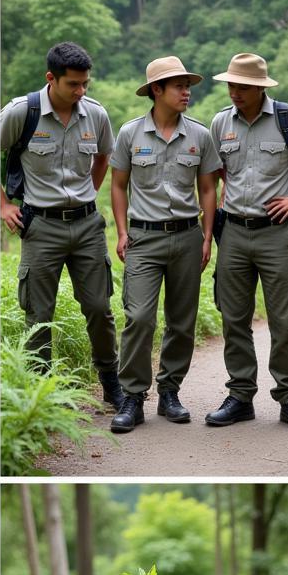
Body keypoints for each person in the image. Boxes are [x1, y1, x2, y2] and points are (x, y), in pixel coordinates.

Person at [207, 53, 288, 432]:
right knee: (234, 319)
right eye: (230, 85)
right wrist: (208, 232)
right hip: (232, 232)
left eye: (242, 86)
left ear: (260, 87)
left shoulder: (287, 118)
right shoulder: (219, 123)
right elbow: (211, 178)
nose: (234, 92)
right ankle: (240, 396)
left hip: (277, 233)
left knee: (284, 320)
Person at [0, 42, 124, 409]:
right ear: (51, 79)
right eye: (73, 84)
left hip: (87, 226)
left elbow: (104, 158)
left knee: (100, 308)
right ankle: (43, 396)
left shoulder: (96, 115)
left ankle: (110, 382)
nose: (80, 91)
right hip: (41, 227)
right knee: (39, 314)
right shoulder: (23, 113)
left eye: (85, 83)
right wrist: (4, 205)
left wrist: (89, 192)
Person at [107, 56, 221, 433]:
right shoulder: (129, 134)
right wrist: (122, 232)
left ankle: (170, 391)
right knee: (138, 317)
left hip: (188, 236)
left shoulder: (200, 136)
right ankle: (133, 396)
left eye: (188, 85)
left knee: (181, 321)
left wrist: (206, 237)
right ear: (157, 91)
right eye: (178, 86)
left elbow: (208, 188)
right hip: (143, 237)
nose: (187, 92)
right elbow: (118, 185)